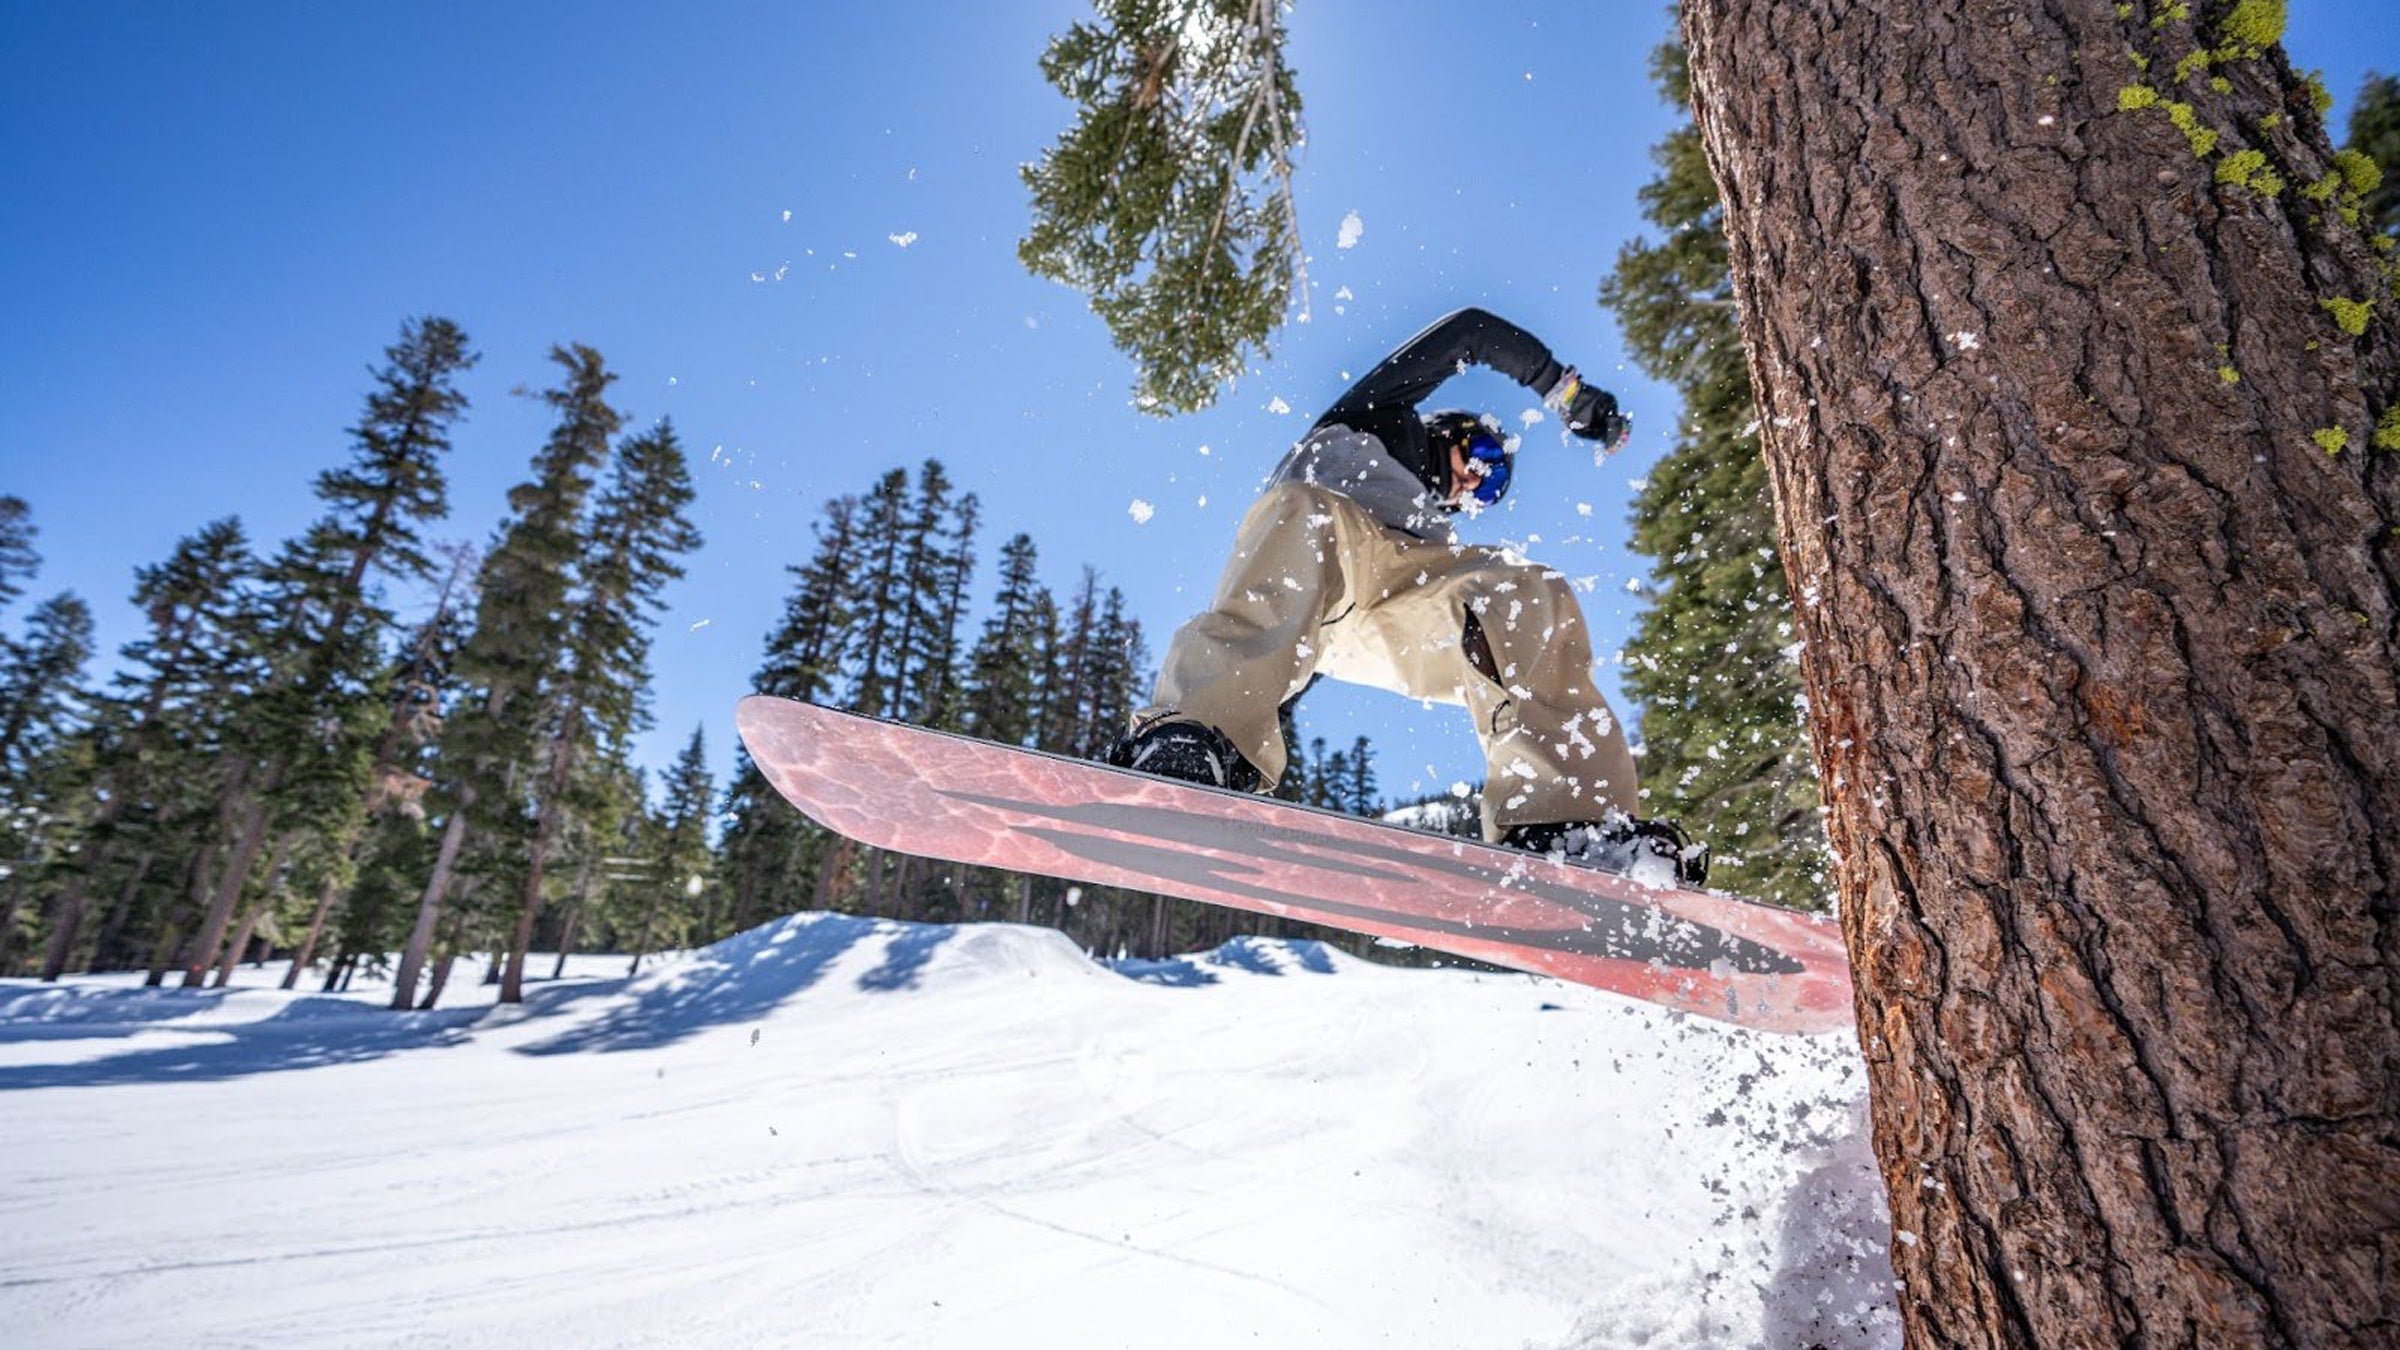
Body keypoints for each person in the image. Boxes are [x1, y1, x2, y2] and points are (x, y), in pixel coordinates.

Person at [1104, 307, 1707, 886]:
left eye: (1490, 488)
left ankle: (1564, 820)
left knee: (1522, 587)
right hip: (1322, 554)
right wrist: (1563, 392)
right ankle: (1197, 739)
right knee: (1303, 513)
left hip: (1403, 600)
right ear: (1452, 428)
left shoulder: (1434, 529)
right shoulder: (1379, 416)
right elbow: (1472, 330)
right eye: (1485, 457)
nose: (1476, 480)